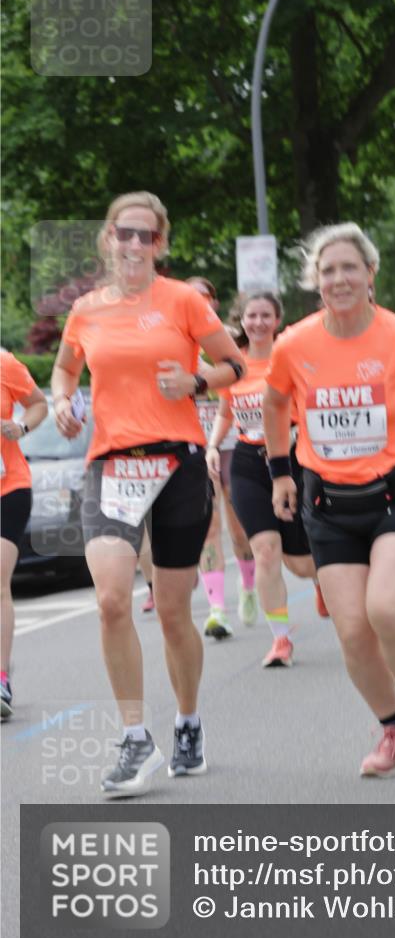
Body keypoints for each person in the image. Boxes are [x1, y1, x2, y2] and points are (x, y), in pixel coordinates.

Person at [51, 191, 246, 796]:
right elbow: (64, 369)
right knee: (111, 600)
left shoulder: (183, 300)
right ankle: (135, 738)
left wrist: (196, 379)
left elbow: (234, 366)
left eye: (147, 236)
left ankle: (187, 721)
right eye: (124, 233)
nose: (134, 245)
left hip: (178, 463)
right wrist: (61, 399)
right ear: (108, 238)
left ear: (160, 244)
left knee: (171, 611)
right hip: (111, 464)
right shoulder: (86, 309)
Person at [263, 223, 395, 778]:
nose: (339, 279)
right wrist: (280, 473)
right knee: (352, 628)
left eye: (350, 267)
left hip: (393, 496)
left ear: (370, 274)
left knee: (383, 607)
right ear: (316, 281)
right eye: (328, 270)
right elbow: (276, 405)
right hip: (327, 505)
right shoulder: (294, 344)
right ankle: (393, 730)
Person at [206, 292, 326, 670]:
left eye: (265, 316)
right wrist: (212, 445)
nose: (257, 323)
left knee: (302, 565)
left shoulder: (289, 358)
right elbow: (226, 413)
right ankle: (280, 640)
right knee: (266, 552)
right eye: (251, 316)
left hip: (291, 461)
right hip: (247, 463)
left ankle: (325, 580)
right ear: (241, 321)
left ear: (277, 320)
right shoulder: (233, 366)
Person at [187, 277, 258, 639]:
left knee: (239, 528)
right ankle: (217, 609)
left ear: (213, 303)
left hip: (231, 443)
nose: (196, 303)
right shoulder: (171, 345)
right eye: (190, 297)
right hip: (193, 446)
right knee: (207, 527)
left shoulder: (227, 341)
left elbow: (243, 384)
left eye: (203, 298)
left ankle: (248, 586)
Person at [1, 351, 48, 719]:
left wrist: (21, 428)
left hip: (8, 487)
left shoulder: (5, 364)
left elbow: (37, 404)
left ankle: (0, 678)